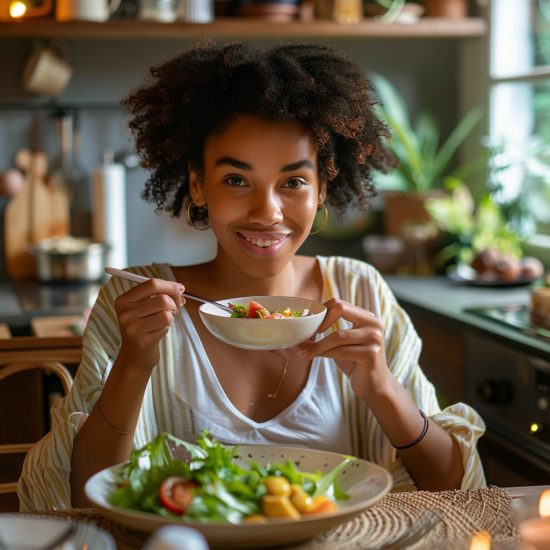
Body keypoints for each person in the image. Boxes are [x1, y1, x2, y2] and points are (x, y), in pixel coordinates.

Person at [18, 40, 485, 512]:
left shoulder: (359, 289)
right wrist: (134, 364)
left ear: (321, 187)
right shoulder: (133, 296)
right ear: (198, 185)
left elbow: (454, 487)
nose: (267, 212)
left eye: (293, 182)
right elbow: (85, 499)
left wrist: (383, 389)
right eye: (237, 180)